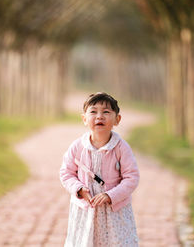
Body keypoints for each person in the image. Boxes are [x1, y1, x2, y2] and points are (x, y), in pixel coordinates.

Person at [59, 92, 140, 246]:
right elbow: (66, 172)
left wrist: (111, 195)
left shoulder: (121, 148)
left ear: (117, 119)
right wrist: (79, 189)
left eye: (106, 112)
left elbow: (132, 177)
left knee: (116, 242)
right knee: (85, 241)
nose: (99, 116)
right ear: (84, 119)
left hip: (114, 211)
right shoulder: (78, 146)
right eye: (93, 112)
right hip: (86, 210)